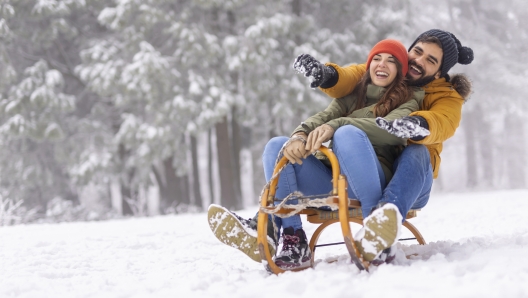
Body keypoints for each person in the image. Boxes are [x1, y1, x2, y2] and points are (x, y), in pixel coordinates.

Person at [208, 39, 425, 270]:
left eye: (391, 61)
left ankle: (375, 232)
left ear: (400, 71)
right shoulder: (353, 95)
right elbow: (323, 117)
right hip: (332, 179)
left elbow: (390, 130)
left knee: (347, 133)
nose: (382, 65)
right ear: (369, 64)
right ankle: (292, 240)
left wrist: (337, 125)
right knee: (277, 146)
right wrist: (300, 135)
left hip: (371, 180)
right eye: (377, 59)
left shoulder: (409, 101)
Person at [292, 29, 474, 263]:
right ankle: (272, 226)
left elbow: (445, 121)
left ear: (439, 72)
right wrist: (328, 76)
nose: (419, 61)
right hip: (366, 170)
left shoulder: (446, 95)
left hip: (410, 182)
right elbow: (353, 76)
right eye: (417, 52)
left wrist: (419, 123)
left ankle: (383, 223)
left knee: (417, 151)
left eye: (430, 60)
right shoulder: (390, 69)